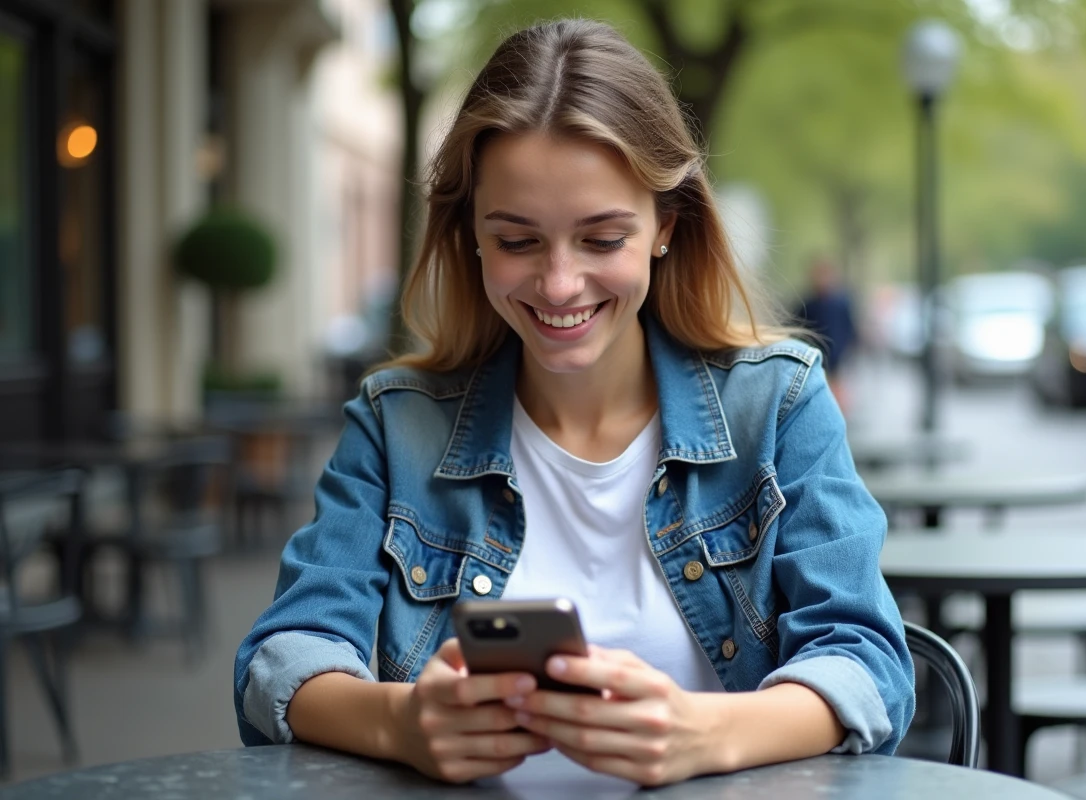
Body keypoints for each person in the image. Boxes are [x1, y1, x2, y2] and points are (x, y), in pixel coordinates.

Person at [234, 19, 913, 788]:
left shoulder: (779, 404)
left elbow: (870, 663)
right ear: (472, 239)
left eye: (601, 239)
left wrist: (705, 733)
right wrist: (400, 723)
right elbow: (281, 660)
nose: (559, 285)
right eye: (519, 241)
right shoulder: (397, 426)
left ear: (665, 225)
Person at [792, 257, 859, 408]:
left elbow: (849, 326)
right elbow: (798, 326)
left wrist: (848, 346)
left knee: (836, 385)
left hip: (836, 352)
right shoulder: (808, 303)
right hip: (815, 352)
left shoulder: (841, 302)